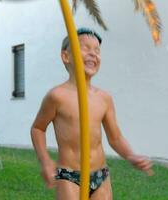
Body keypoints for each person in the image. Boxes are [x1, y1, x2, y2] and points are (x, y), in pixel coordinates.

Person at [31, 27, 153, 200]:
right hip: (69, 176)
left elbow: (115, 137)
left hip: (100, 175)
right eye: (85, 48)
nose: (93, 54)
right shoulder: (57, 96)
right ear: (66, 56)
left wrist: (130, 155)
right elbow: (38, 128)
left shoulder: (104, 98)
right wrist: (45, 161)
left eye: (97, 50)